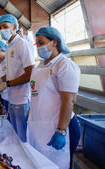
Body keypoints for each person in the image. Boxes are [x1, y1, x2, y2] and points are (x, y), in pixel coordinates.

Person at [27, 26, 80, 169]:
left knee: (56, 164)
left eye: (41, 43)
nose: (38, 47)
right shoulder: (41, 65)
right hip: (40, 125)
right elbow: (37, 92)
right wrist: (31, 112)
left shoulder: (64, 66)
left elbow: (69, 100)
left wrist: (61, 131)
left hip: (60, 126)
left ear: (54, 42)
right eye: (37, 43)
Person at [0, 14, 35, 142]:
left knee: (23, 138)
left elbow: (30, 74)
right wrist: (1, 79)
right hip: (12, 98)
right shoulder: (9, 47)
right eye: (0, 27)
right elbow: (12, 71)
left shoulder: (22, 45)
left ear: (15, 27)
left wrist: (7, 84)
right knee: (16, 135)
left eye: (5, 27)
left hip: (22, 99)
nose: (2, 30)